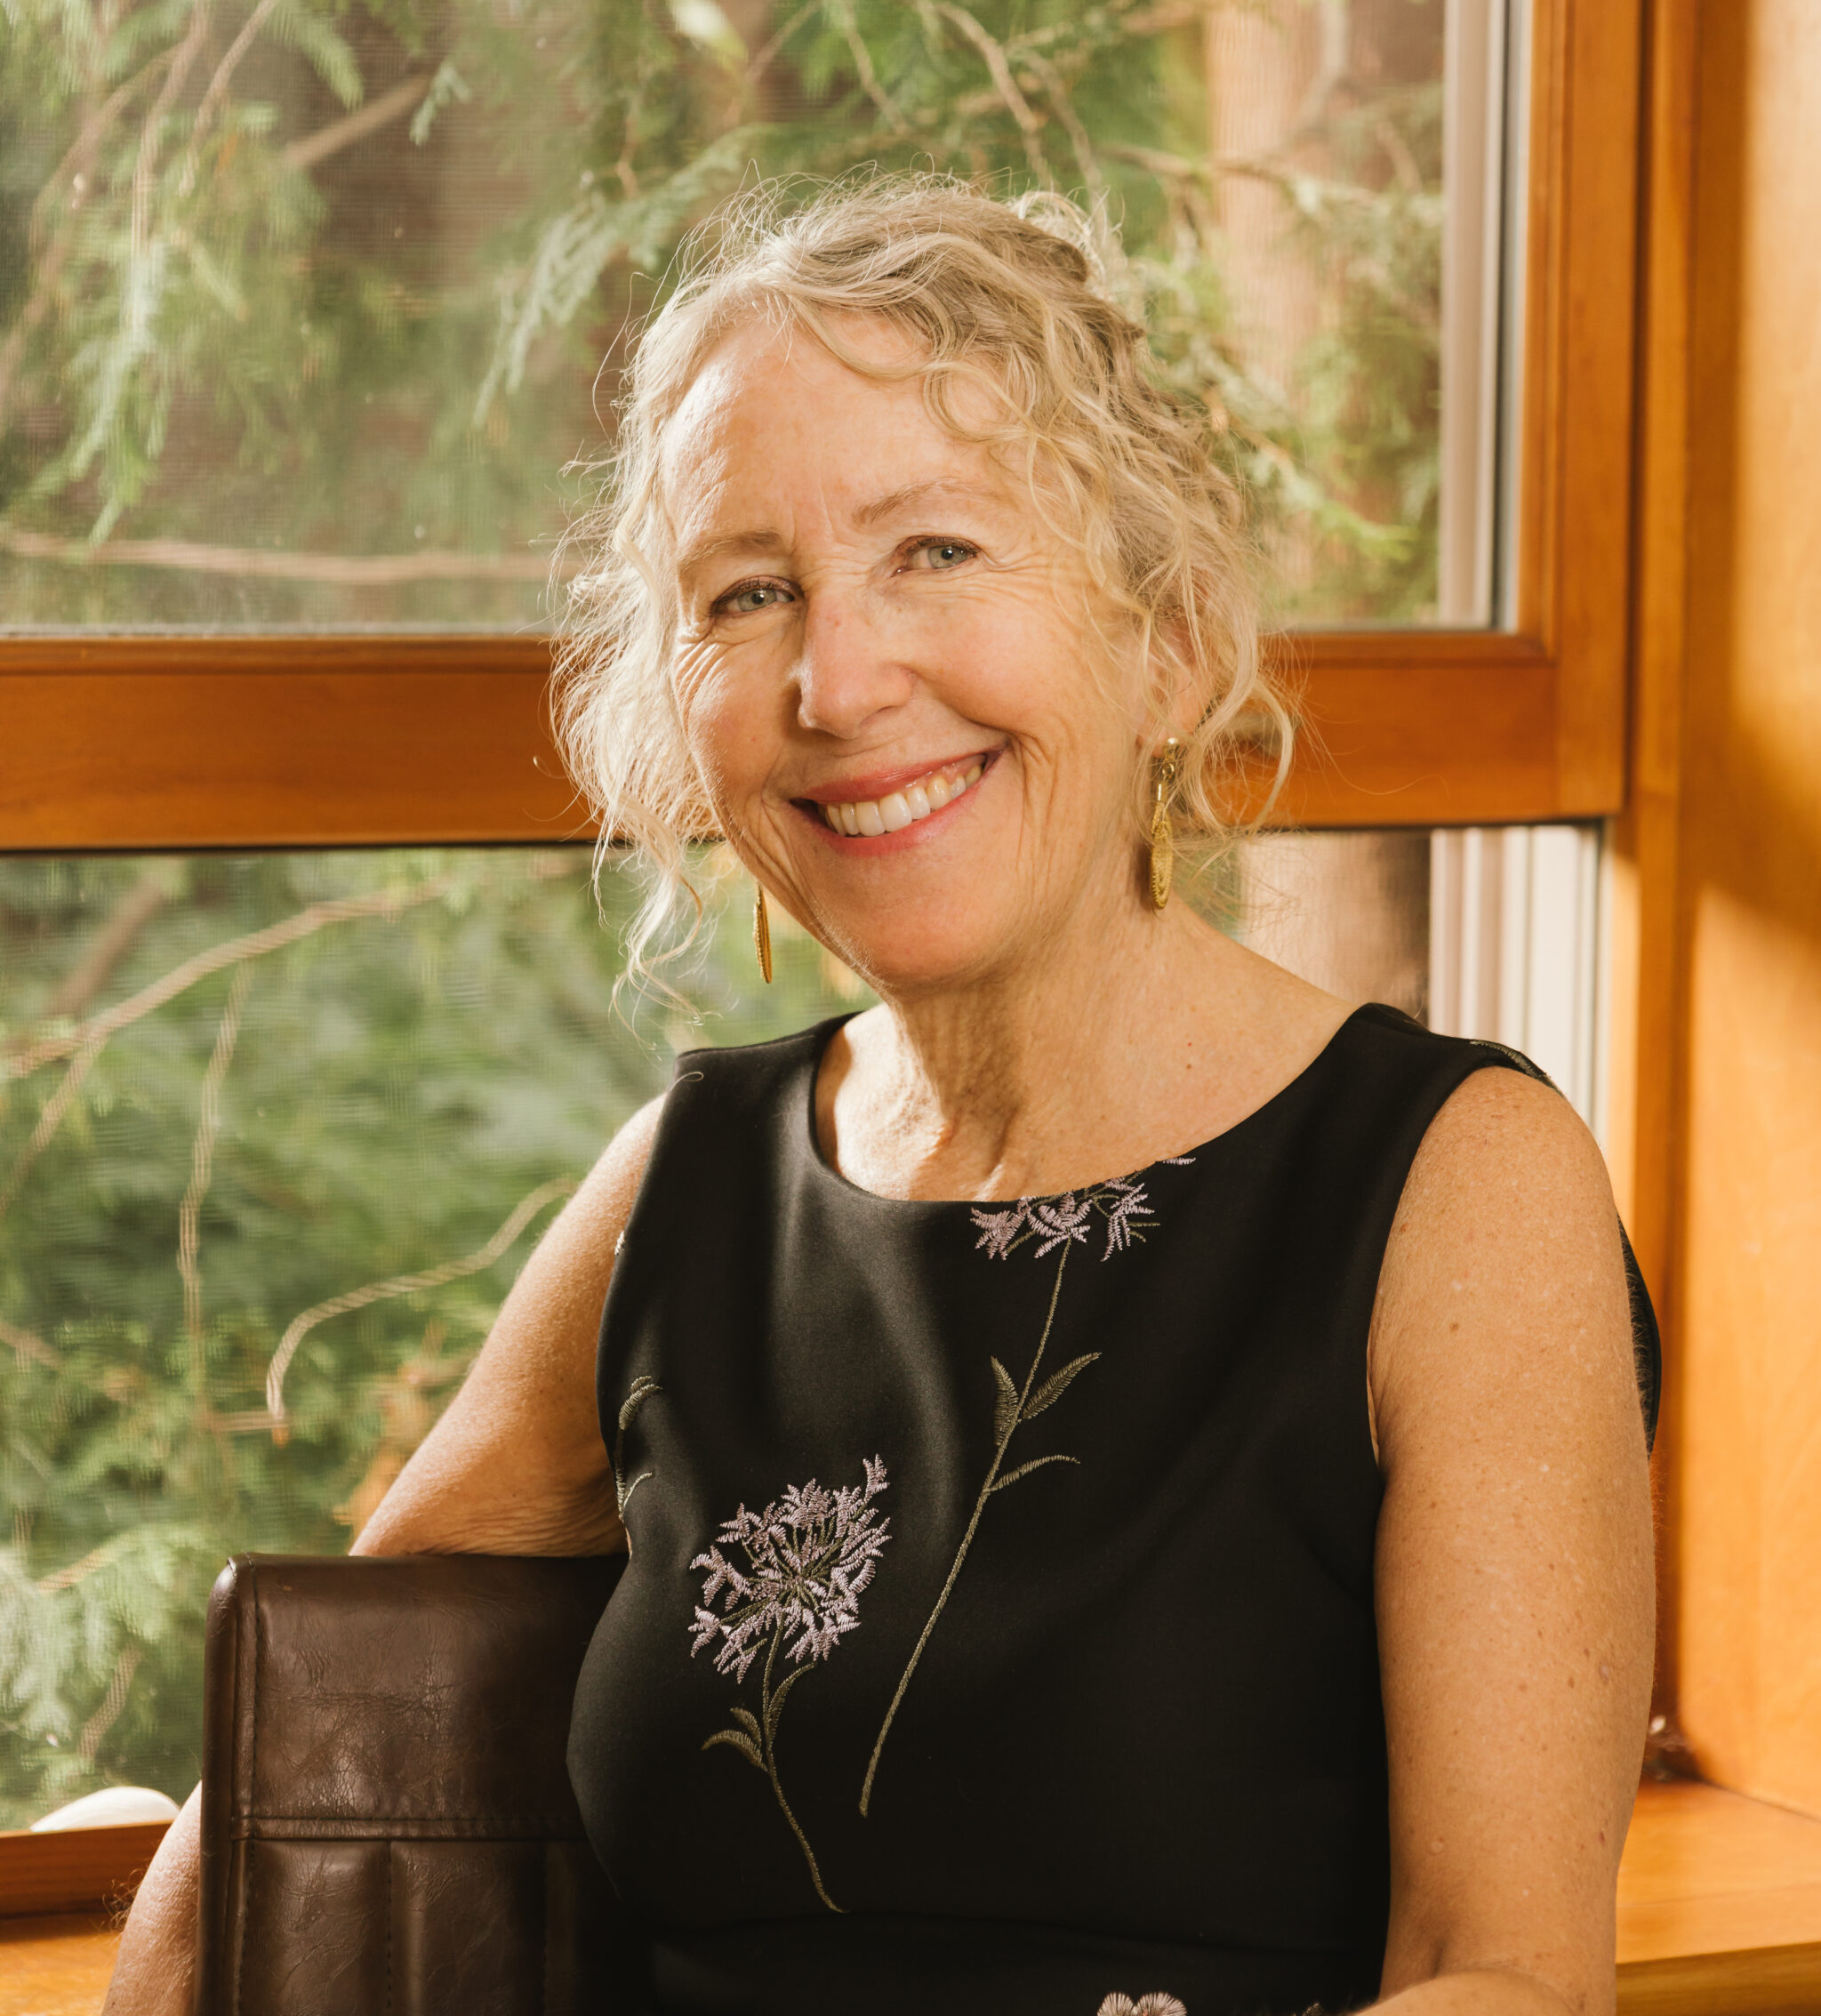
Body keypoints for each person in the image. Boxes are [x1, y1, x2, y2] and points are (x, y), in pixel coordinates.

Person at [106, 177, 1657, 2016]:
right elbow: (314, 1743)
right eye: (748, 592)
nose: (837, 680)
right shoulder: (681, 1184)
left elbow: (1506, 1977)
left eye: (936, 550)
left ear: (1163, 642)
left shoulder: (1456, 1184)